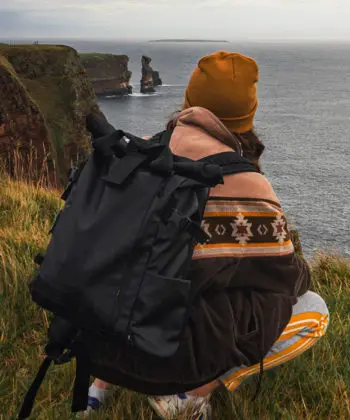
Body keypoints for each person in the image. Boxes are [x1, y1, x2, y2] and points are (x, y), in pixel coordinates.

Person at [82, 51, 329, 419]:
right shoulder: (247, 184)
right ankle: (188, 396)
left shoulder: (136, 152)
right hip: (164, 356)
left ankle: (96, 390)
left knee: (133, 269)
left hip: (98, 340)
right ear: (247, 117)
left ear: (189, 102)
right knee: (313, 310)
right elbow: (286, 277)